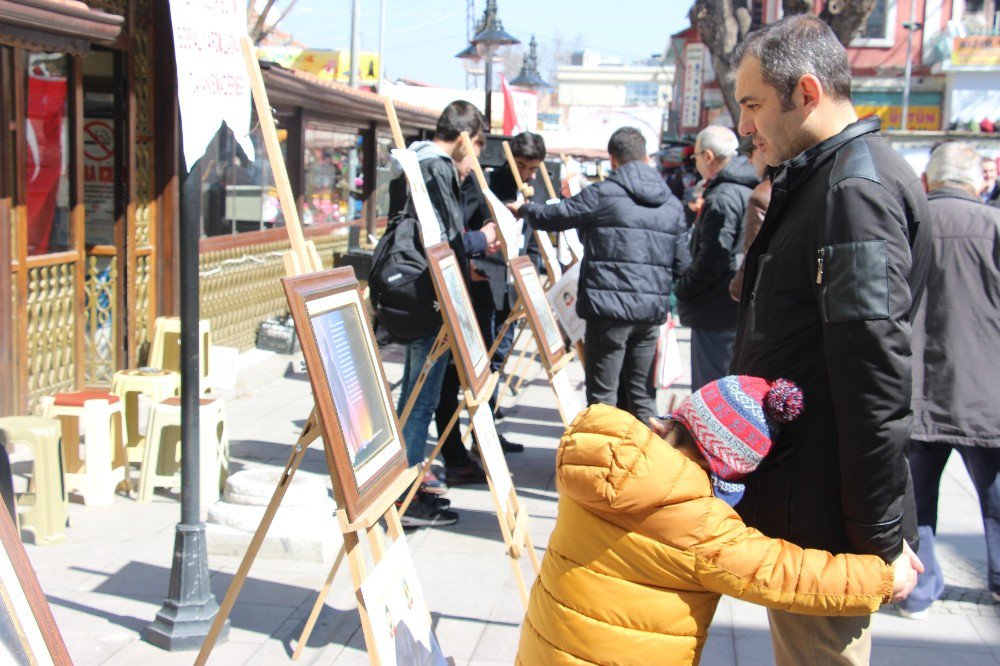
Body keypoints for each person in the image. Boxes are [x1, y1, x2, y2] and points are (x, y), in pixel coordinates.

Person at [730, 16, 930, 664]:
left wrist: (876, 543)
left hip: (825, 525)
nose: (744, 127)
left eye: (753, 105)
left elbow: (873, 380)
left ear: (808, 94)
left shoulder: (852, 192)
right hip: (809, 505)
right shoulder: (831, 178)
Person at [516, 378, 920, 665]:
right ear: (725, 470)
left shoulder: (601, 458)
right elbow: (784, 574)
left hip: (543, 648)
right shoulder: (697, 523)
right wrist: (885, 578)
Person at [507, 127, 687, 423]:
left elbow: (555, 217)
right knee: (641, 399)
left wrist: (524, 209)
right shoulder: (671, 203)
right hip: (649, 314)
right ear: (645, 157)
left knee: (603, 400)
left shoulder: (603, 193)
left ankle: (604, 465)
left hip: (609, 312)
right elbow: (683, 263)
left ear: (613, 160)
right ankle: (645, 466)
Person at [387, 100, 498, 527]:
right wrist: (482, 239)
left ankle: (405, 483)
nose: (473, 166)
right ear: (466, 140)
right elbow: (445, 242)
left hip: (417, 291)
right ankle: (404, 496)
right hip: (429, 295)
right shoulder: (437, 167)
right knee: (421, 397)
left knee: (414, 394)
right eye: (477, 151)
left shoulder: (416, 160)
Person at [901, 142, 1000, 618]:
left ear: (927, 182)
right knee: (996, 497)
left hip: (915, 388)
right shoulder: (994, 225)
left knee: (917, 499)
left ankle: (920, 589)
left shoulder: (908, 224)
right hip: (987, 392)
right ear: (978, 181)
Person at [674, 125, 759, 390]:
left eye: (696, 156)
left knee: (712, 392)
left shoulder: (724, 195)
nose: (695, 162)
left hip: (716, 307)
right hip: (732, 305)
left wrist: (683, 289)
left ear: (708, 156)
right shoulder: (746, 188)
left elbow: (713, 258)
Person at [728, 143, 771, 300]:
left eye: (750, 153)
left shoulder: (764, 193)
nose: (750, 161)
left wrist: (737, 289)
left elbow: (753, 256)